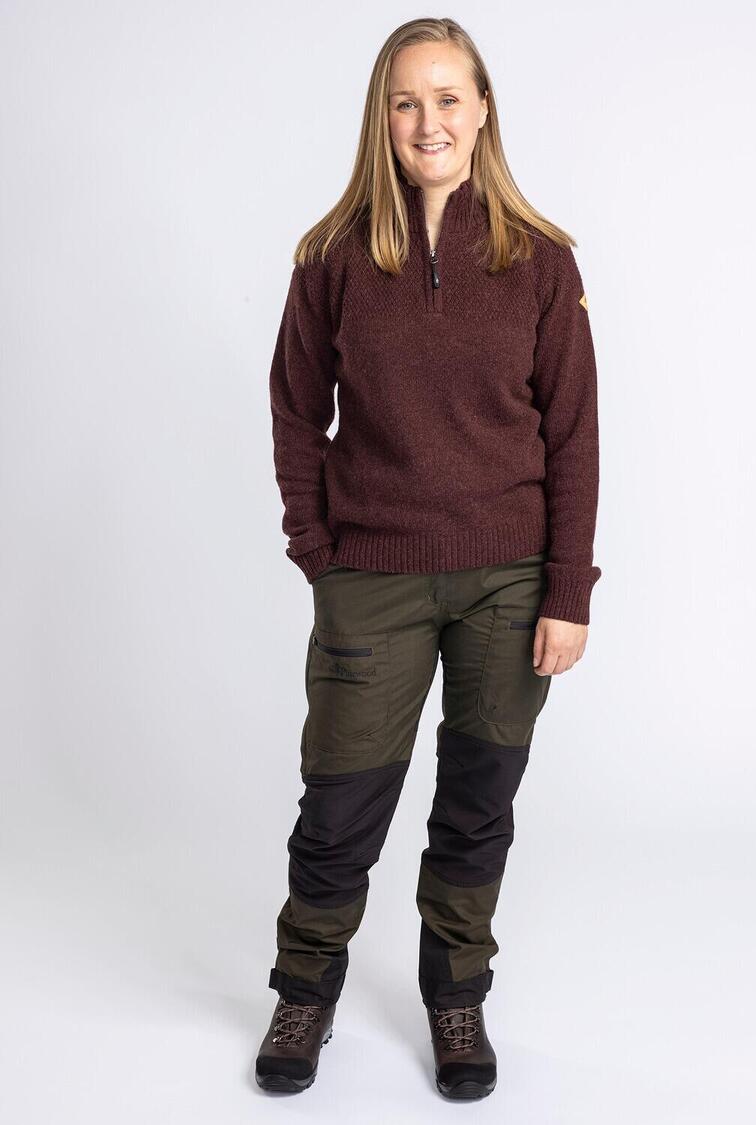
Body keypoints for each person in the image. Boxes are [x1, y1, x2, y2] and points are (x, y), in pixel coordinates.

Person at [255, 16, 601, 1101]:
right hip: (374, 577)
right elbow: (295, 409)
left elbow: (574, 435)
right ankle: (304, 992)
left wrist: (568, 589)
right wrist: (318, 549)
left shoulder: (540, 261)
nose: (429, 122)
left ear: (483, 109)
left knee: (477, 804)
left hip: (510, 581)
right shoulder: (333, 257)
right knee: (340, 805)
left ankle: (457, 995)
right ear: (383, 116)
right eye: (407, 102)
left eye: (448, 98)